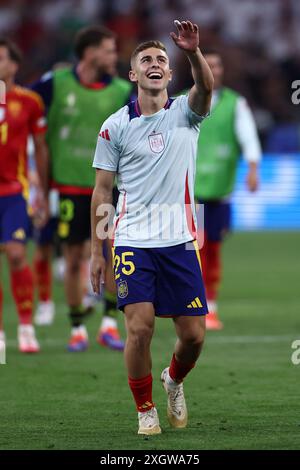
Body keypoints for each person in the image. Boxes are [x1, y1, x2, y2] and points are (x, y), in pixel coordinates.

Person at [91, 20, 214, 435]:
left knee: (194, 336)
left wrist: (193, 51)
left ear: (171, 71)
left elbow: (207, 87)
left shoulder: (186, 112)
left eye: (162, 59)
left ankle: (173, 380)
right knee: (139, 328)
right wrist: (98, 251)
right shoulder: (114, 126)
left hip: (179, 239)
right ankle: (145, 409)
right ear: (134, 74)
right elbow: (102, 191)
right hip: (131, 240)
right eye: (146, 59)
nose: (155, 64)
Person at [32, 26, 133, 351]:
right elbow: (19, 105)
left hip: (107, 187)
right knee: (73, 258)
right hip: (68, 188)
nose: (113, 56)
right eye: (108, 49)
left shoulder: (121, 91)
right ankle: (77, 327)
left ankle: (108, 324)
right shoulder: (54, 85)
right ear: (90, 53)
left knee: (112, 253)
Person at [195, 50, 261, 330]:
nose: (214, 70)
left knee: (213, 250)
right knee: (194, 251)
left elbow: (249, 137)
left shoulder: (236, 103)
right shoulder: (184, 101)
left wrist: (253, 168)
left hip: (221, 190)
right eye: (208, 65)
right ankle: (193, 306)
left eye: (217, 65)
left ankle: (211, 307)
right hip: (191, 191)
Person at [0, 38, 48, 352]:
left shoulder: (29, 101)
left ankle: (27, 325)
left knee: (17, 254)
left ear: (14, 64)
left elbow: (41, 148)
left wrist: (42, 189)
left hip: (15, 192)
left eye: (2, 58)